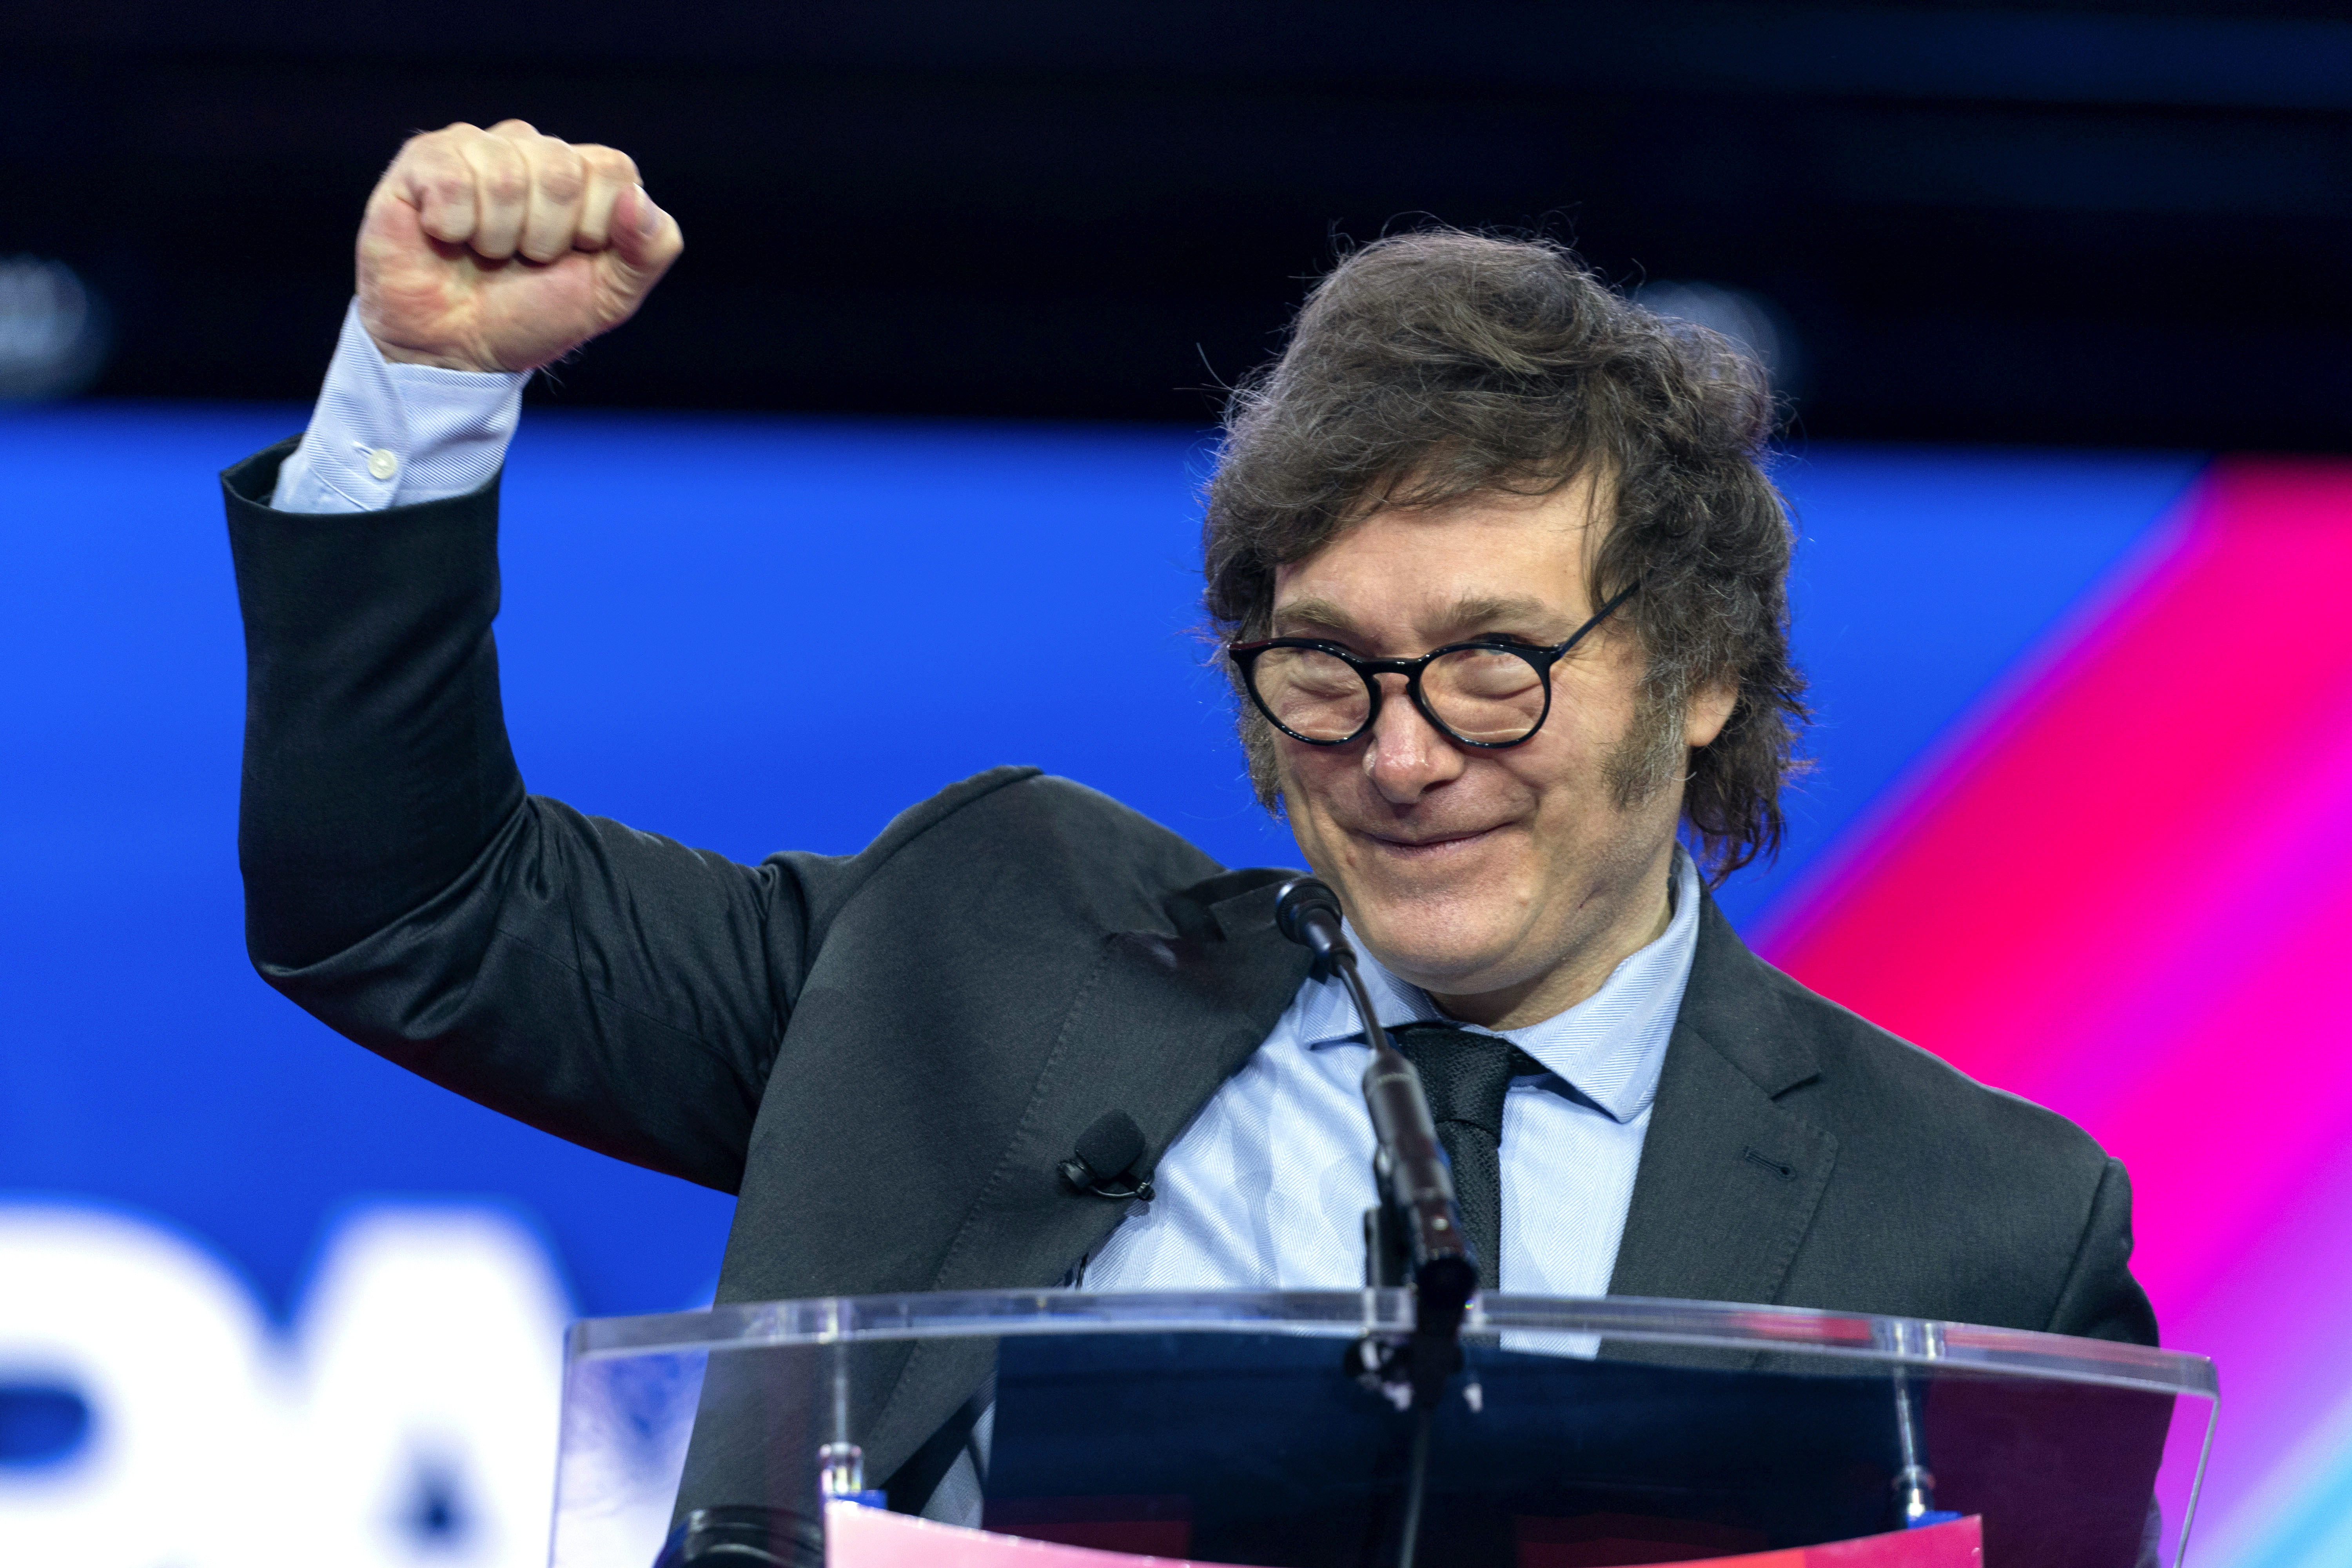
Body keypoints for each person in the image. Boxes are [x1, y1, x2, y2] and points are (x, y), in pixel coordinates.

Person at [222, 120, 2156, 1515]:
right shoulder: (972, 948)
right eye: (1325, 665)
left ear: (1707, 668)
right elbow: (406, 906)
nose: (1400, 756)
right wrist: (425, 396)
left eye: (1495, 664)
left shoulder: (1980, 1226)